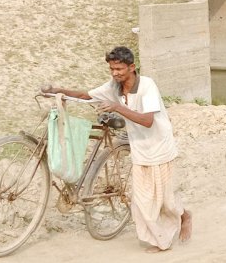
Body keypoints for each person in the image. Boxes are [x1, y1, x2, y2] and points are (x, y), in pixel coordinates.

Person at [42, 46, 191, 253]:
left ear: (131, 67)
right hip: (139, 148)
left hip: (159, 147)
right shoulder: (114, 86)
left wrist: (117, 108)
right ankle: (161, 240)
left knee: (166, 199)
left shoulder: (147, 86)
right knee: (142, 201)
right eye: (112, 69)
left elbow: (148, 121)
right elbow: (86, 95)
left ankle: (185, 216)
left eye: (119, 69)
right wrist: (59, 91)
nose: (115, 73)